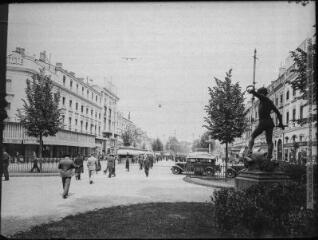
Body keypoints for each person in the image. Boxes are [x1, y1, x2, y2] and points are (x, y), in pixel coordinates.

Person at [246, 86, 285, 161]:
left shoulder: (263, 98)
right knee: (269, 141)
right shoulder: (270, 102)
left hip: (263, 122)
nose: (259, 96)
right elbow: (278, 113)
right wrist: (281, 123)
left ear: (262, 93)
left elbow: (258, 95)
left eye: (260, 94)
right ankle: (269, 157)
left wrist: (252, 91)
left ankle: (249, 153)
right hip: (270, 123)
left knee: (252, 136)